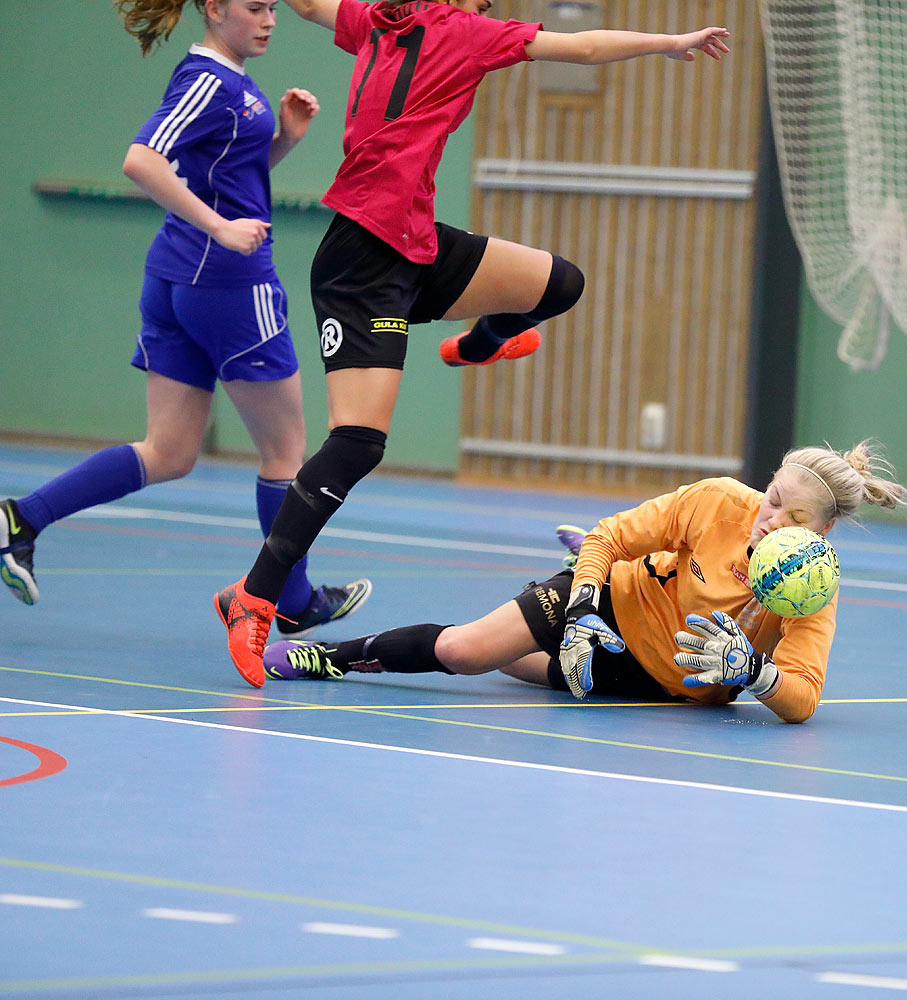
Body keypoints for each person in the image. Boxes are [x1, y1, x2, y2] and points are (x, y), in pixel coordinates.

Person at [211, 0, 732, 688]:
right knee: (358, 441)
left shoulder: (375, 16)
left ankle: (480, 345)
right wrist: (668, 40)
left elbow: (308, 3)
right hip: (362, 264)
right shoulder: (458, 30)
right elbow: (578, 49)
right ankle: (254, 595)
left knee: (557, 284)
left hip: (415, 247)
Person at [1, 0, 371, 639]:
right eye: (254, 7)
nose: (270, 19)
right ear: (214, 8)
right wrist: (222, 228)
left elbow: (220, 178)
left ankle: (21, 519)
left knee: (169, 451)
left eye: (272, 8)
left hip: (177, 278)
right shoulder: (208, 80)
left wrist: (282, 139)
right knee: (286, 452)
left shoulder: (233, 81)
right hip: (228, 286)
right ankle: (293, 598)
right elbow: (142, 160)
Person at [261, 442, 907, 724]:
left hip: (662, 684)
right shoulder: (719, 503)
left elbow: (803, 698)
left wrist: (754, 675)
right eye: (772, 497)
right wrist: (582, 608)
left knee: (525, 668)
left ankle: (555, 616)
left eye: (793, 516)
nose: (768, 518)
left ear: (820, 536)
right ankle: (329, 657)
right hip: (614, 606)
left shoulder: (812, 588)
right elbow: (609, 532)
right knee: (466, 652)